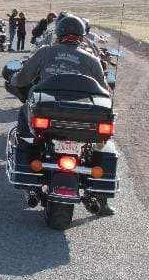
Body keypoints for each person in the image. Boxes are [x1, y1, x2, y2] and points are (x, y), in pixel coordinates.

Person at [10, 14, 115, 215]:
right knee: (103, 145)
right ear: (82, 36)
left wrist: (14, 78)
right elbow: (104, 90)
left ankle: (29, 180)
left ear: (59, 33)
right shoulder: (92, 59)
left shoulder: (45, 52)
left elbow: (23, 78)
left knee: (24, 125)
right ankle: (102, 199)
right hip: (81, 117)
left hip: (50, 111)